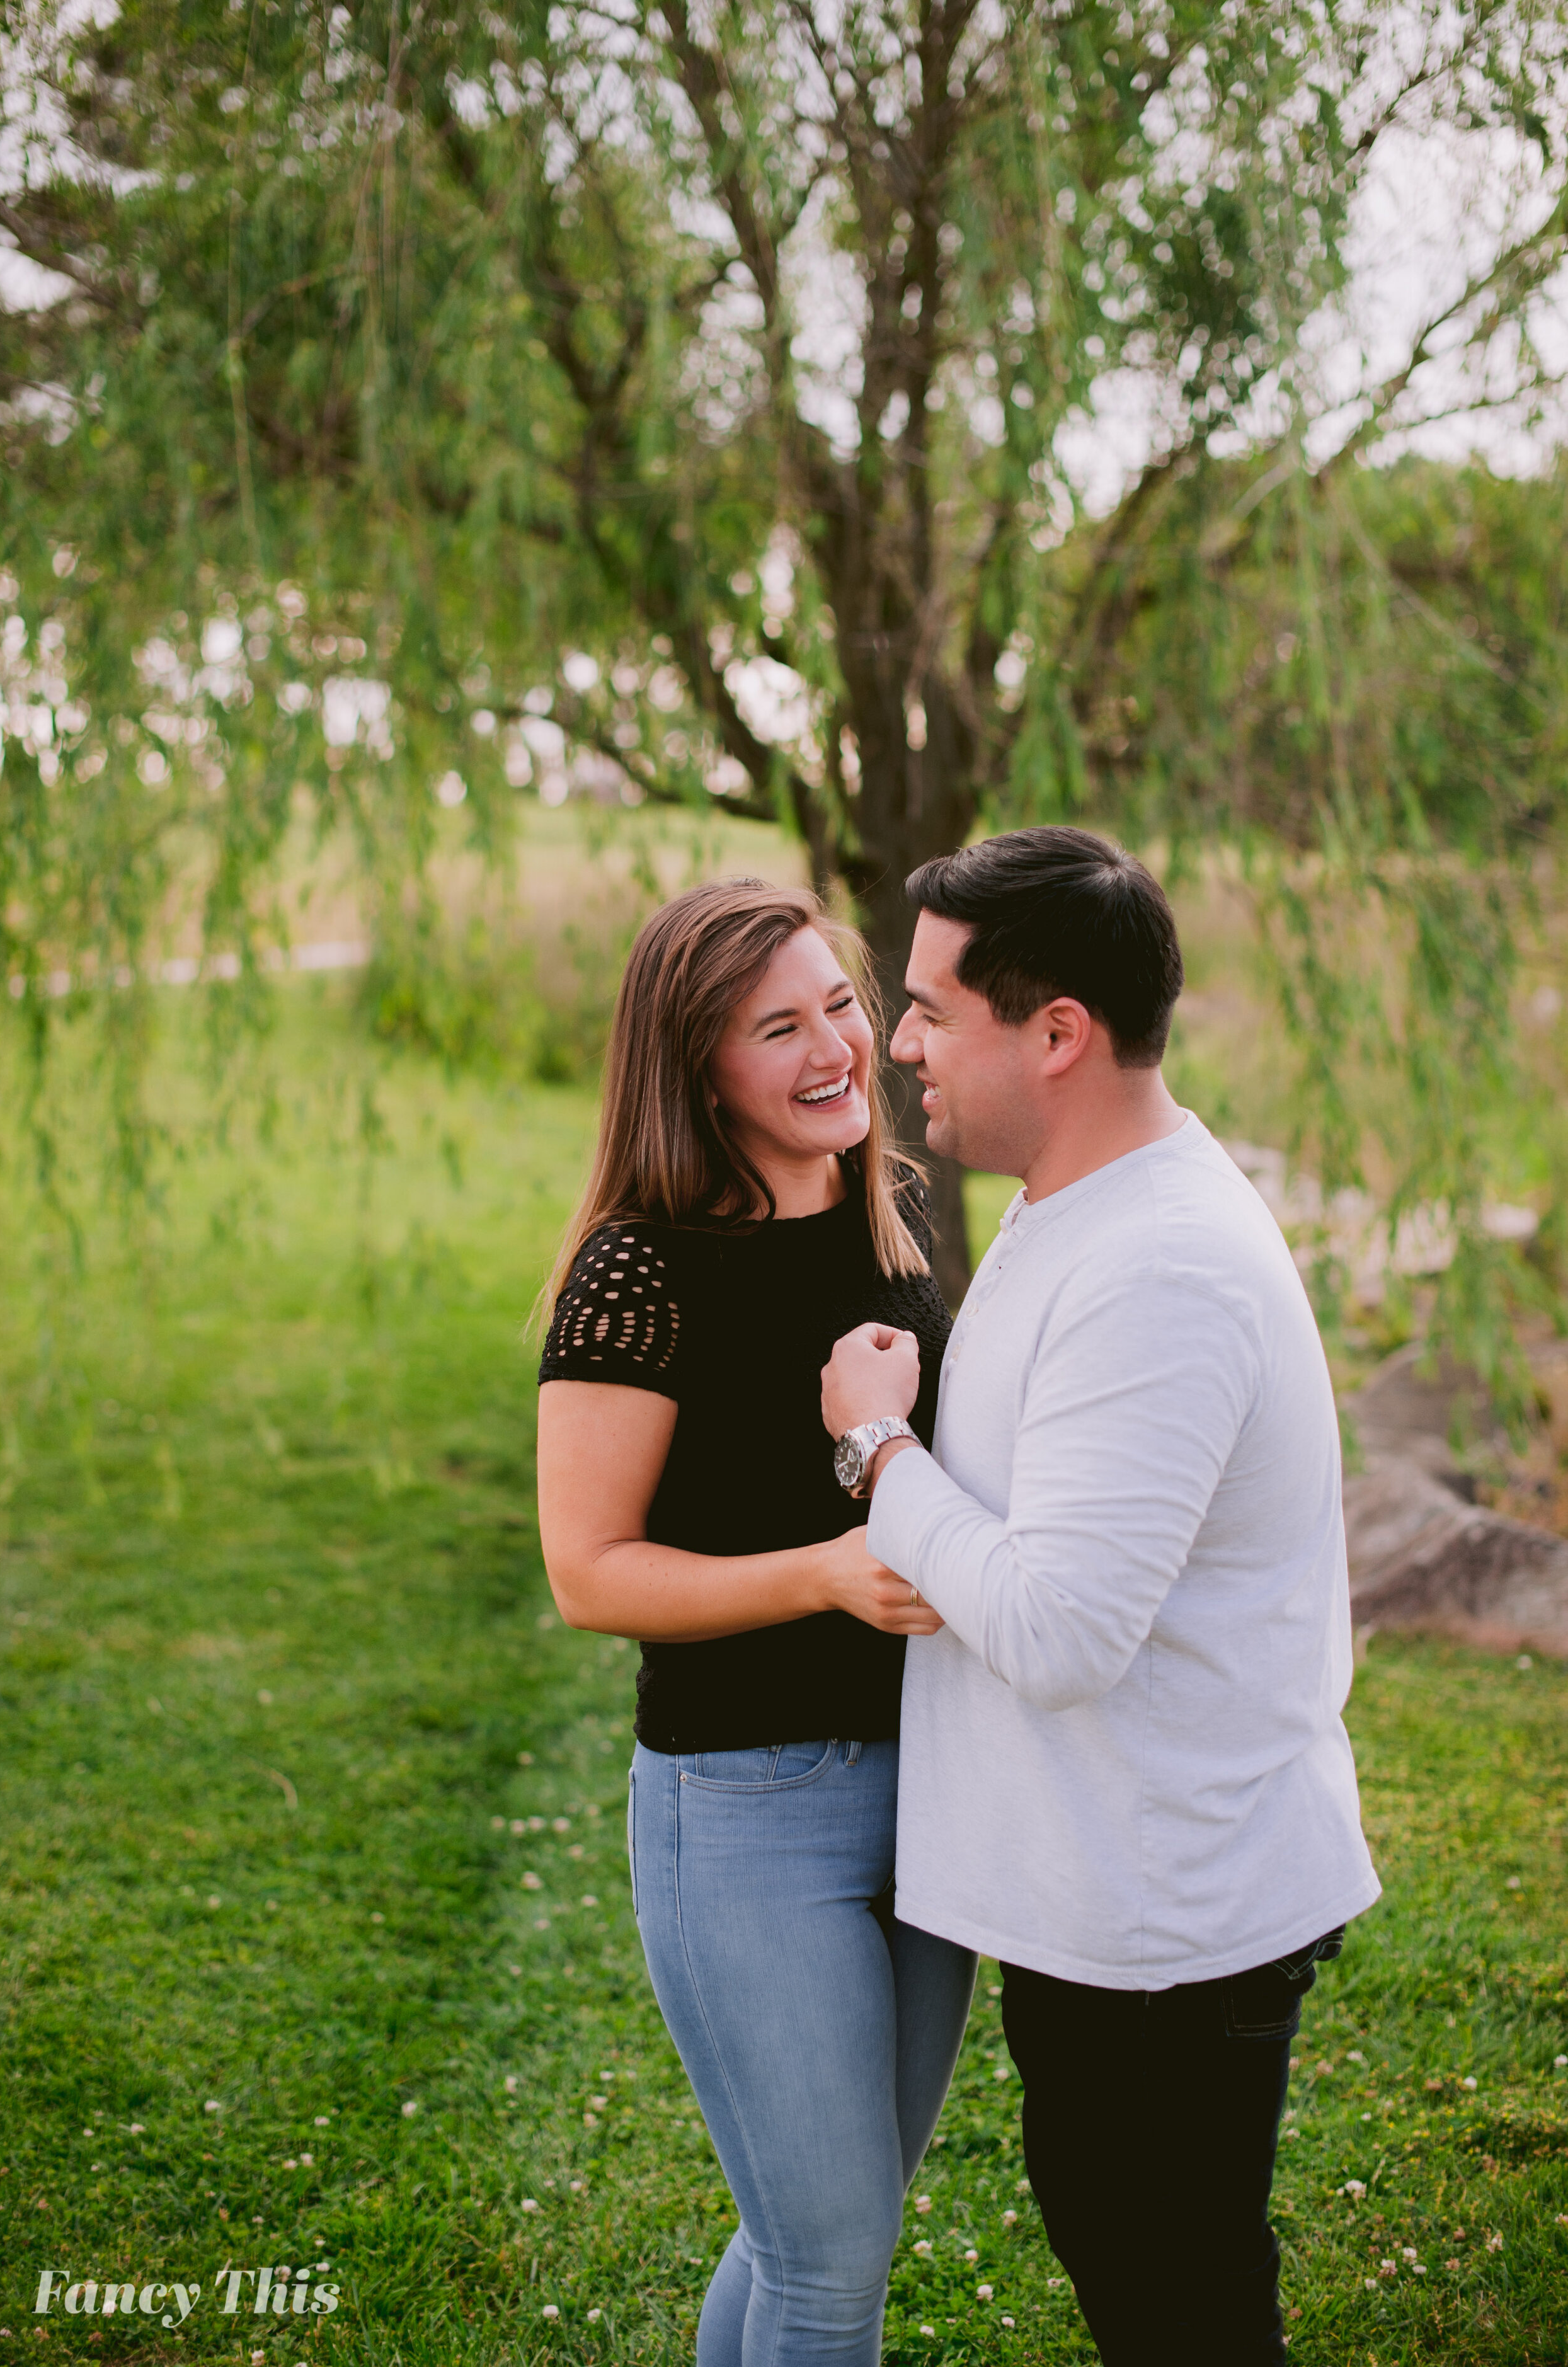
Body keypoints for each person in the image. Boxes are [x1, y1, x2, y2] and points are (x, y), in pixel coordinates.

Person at [821, 825, 1381, 2367]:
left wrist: (874, 1450)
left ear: (1056, 1031)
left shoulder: (1161, 1266)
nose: (898, 1044)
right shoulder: (1078, 1202)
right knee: (1140, 2270)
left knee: (1178, 2303)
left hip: (1168, 1929)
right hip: (1112, 1902)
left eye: (932, 1006)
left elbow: (1060, 1630)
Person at [535, 877, 977, 2367]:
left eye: (840, 1004)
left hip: (937, 1792)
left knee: (821, 2235)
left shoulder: (892, 1215)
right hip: (746, 1809)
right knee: (829, 2250)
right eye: (774, 1026)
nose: (833, 1047)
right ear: (693, 1067)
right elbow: (588, 1571)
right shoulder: (639, 1269)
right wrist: (824, 1571)